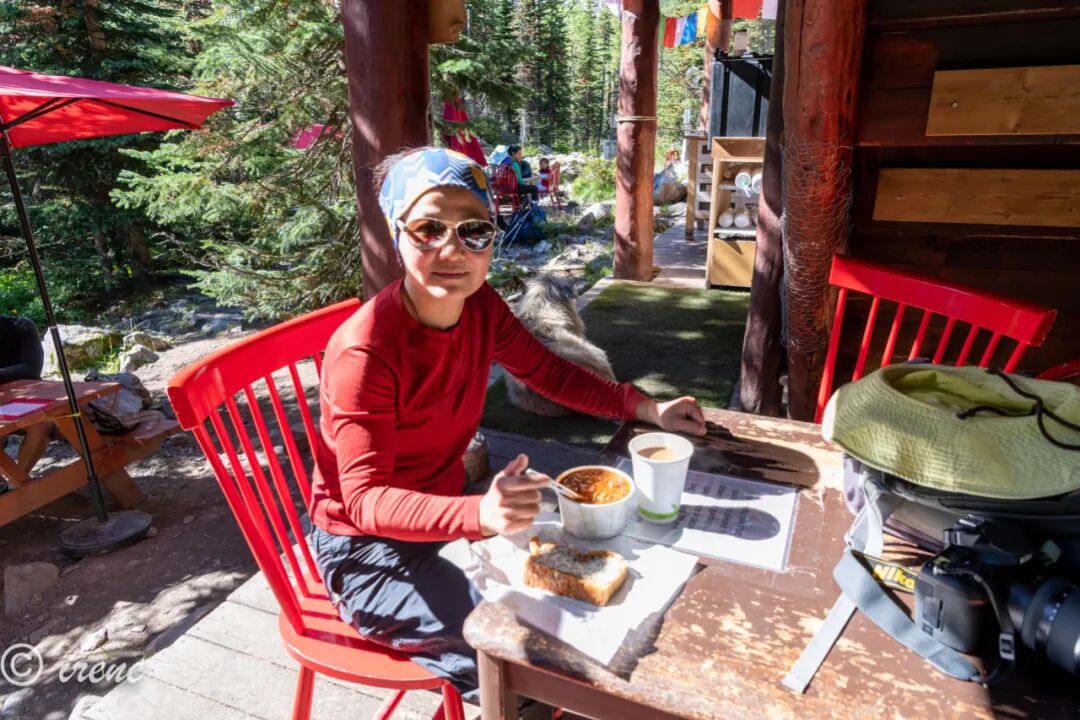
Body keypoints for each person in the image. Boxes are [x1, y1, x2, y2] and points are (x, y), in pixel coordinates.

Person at [306, 147, 706, 704]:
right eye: (428, 229)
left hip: (448, 516)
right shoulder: (365, 350)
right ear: (397, 235)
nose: (453, 249)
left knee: (592, 617)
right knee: (532, 656)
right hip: (366, 554)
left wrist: (645, 408)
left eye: (474, 231)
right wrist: (478, 513)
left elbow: (548, 372)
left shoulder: (481, 307)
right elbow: (366, 500)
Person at [0, 315, 50, 474]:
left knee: (40, 427)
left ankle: (20, 481)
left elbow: (31, 369)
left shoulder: (22, 327)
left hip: (30, 400)